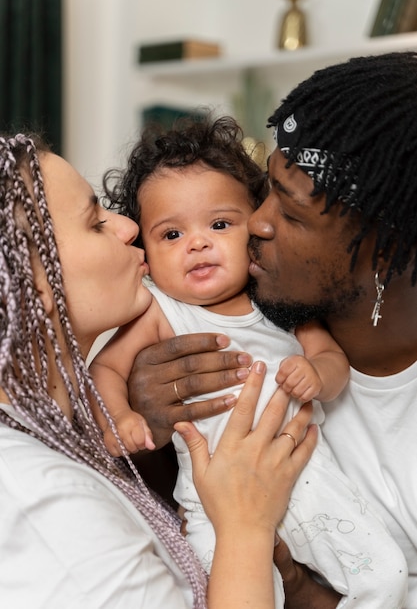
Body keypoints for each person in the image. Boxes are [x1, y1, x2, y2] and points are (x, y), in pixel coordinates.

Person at [122, 51, 417, 608]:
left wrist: (299, 586)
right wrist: (148, 430)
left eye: (292, 211)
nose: (256, 222)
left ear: (384, 254)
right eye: (266, 189)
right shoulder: (212, 315)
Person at [0, 132, 319, 609]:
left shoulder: (59, 444)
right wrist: (245, 525)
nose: (128, 226)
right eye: (94, 223)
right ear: (33, 283)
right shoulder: (41, 503)